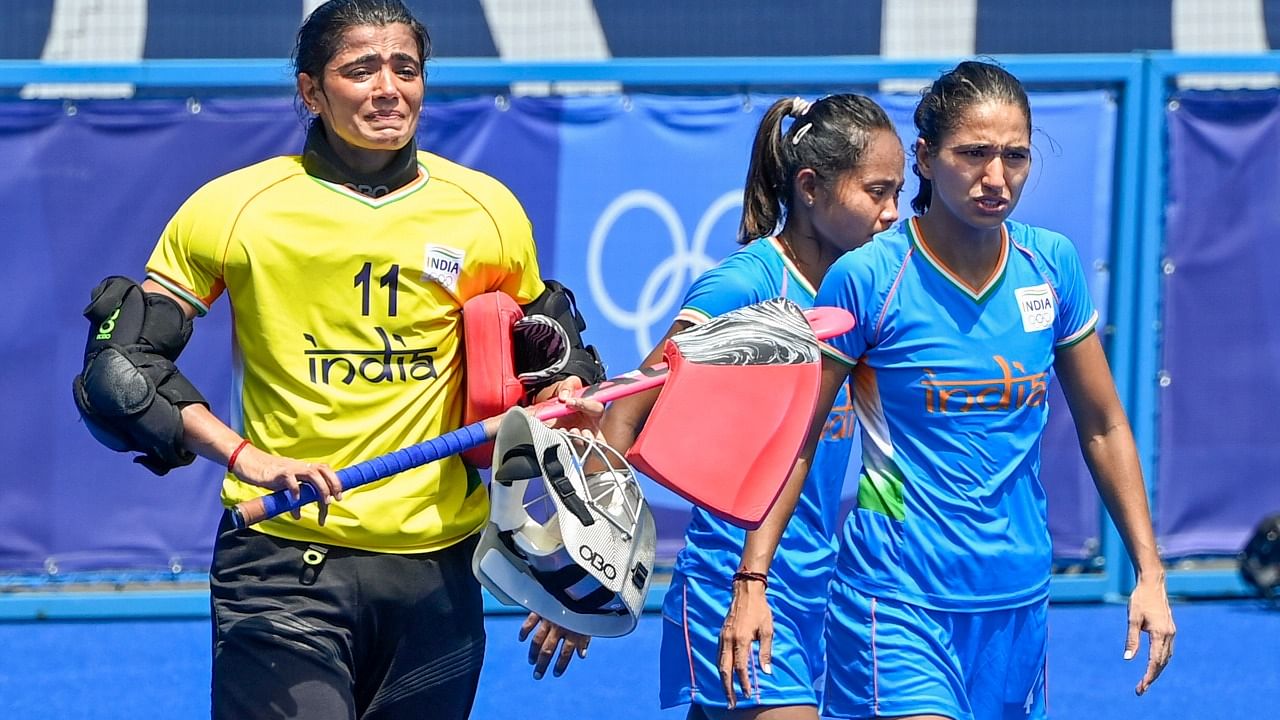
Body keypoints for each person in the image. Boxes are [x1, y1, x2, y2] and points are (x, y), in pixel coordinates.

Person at [71, 1, 603, 717]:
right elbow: (121, 368)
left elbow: (553, 358)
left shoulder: (487, 210)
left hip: (440, 574)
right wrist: (246, 458)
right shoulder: (233, 207)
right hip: (283, 564)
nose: (389, 88)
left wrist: (562, 399)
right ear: (311, 90)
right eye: (360, 69)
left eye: (405, 68)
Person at [718, 61, 1177, 720]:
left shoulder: (1051, 266)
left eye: (1015, 156)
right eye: (974, 154)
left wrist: (1149, 571)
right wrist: (753, 579)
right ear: (927, 159)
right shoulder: (869, 276)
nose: (996, 177)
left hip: (1015, 605)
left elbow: (1103, 426)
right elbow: (797, 435)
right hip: (895, 600)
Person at [597, 94, 904, 720]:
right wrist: (583, 579)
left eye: (898, 191)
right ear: (811, 187)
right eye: (875, 192)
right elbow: (624, 415)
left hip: (826, 585)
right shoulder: (747, 284)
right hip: (730, 580)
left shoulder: (870, 288)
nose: (891, 214)